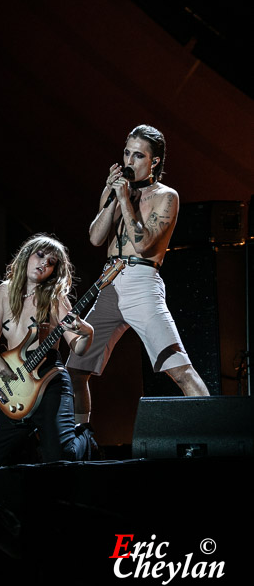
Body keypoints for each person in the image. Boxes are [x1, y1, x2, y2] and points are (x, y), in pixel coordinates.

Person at [66, 124, 209, 424]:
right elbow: (95, 238)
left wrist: (123, 201)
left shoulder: (166, 196)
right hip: (109, 283)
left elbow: (143, 245)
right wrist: (111, 196)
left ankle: (212, 436)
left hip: (142, 282)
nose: (130, 162)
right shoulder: (118, 189)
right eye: (126, 154)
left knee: (179, 368)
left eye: (138, 156)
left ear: (154, 161)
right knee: (76, 369)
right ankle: (79, 440)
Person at [0, 233, 95, 467]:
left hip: (49, 379)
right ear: (26, 256)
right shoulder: (5, 290)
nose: (43, 264)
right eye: (40, 255)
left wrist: (87, 331)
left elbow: (78, 348)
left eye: (50, 263)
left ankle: (86, 437)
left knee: (60, 459)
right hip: (16, 385)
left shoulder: (55, 297)